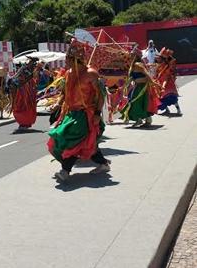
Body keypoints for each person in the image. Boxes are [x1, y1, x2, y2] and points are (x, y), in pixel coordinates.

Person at [48, 40, 111, 182]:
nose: (66, 62)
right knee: (83, 143)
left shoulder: (91, 74)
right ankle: (103, 164)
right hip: (71, 114)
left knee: (73, 140)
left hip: (85, 114)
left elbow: (101, 95)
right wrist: (58, 104)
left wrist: (97, 114)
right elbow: (65, 93)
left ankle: (65, 171)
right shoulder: (69, 73)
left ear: (76, 59)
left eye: (68, 59)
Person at [120, 48, 160, 127]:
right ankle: (139, 120)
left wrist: (154, 83)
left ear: (136, 56)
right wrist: (125, 85)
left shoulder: (137, 64)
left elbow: (147, 74)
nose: (130, 56)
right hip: (137, 86)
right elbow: (132, 77)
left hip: (142, 87)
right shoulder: (133, 65)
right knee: (136, 103)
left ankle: (147, 120)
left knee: (139, 103)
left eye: (132, 55)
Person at [8, 59, 39, 131]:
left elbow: (33, 84)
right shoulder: (22, 74)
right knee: (21, 106)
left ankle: (25, 123)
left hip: (26, 95)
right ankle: (23, 123)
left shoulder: (28, 75)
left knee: (26, 107)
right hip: (22, 94)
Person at [155, 47, 181, 115]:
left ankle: (178, 110)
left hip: (168, 84)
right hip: (160, 83)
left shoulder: (167, 66)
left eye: (159, 58)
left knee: (171, 97)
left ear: (162, 59)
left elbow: (166, 76)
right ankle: (167, 110)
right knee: (162, 98)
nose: (157, 58)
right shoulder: (159, 66)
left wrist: (167, 56)